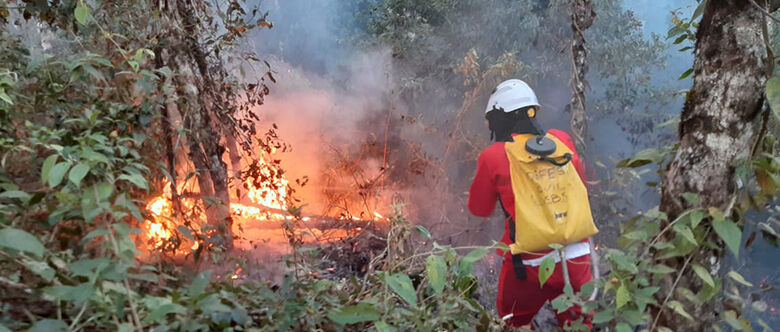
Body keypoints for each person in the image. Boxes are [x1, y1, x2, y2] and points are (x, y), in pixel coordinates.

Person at [468, 79, 596, 330]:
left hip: (526, 265)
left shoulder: (494, 155)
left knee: (514, 323)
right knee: (580, 326)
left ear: (500, 118)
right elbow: (581, 186)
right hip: (577, 258)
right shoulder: (562, 141)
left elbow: (478, 209)